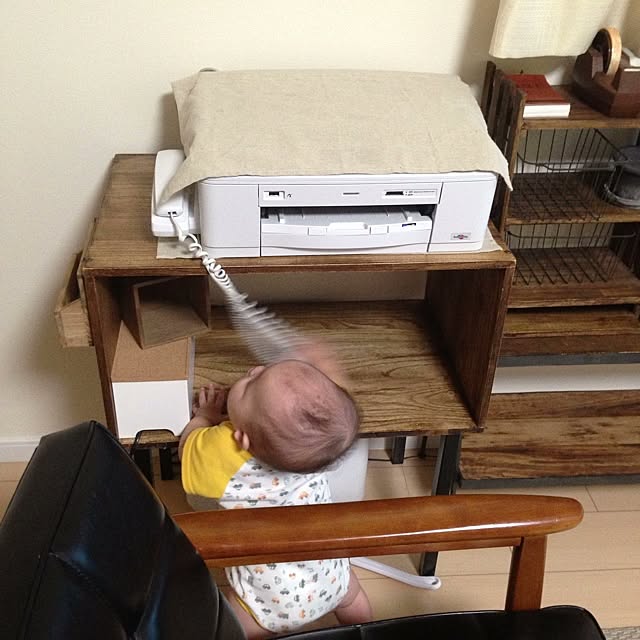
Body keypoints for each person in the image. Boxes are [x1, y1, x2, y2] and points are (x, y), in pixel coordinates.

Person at [179, 344, 373, 639]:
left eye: (251, 385)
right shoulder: (315, 449)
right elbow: (323, 415)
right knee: (353, 597)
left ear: (242, 439)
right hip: (332, 578)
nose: (254, 369)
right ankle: (367, 630)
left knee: (232, 624)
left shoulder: (229, 451)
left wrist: (204, 417)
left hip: (268, 604)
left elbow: (188, 449)